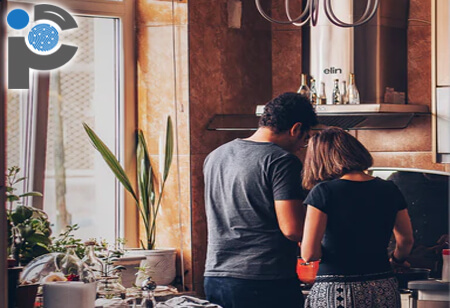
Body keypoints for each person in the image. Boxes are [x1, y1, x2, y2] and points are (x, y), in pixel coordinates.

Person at [203, 92, 318, 308]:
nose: (301, 148)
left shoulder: (216, 156)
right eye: (304, 140)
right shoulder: (282, 161)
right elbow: (293, 229)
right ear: (295, 128)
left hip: (216, 277)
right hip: (263, 280)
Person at [301, 127, 414, 308]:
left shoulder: (323, 192)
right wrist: (397, 260)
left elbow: (309, 253)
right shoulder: (389, 189)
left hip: (337, 289)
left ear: (320, 159)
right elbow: (406, 240)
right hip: (382, 285)